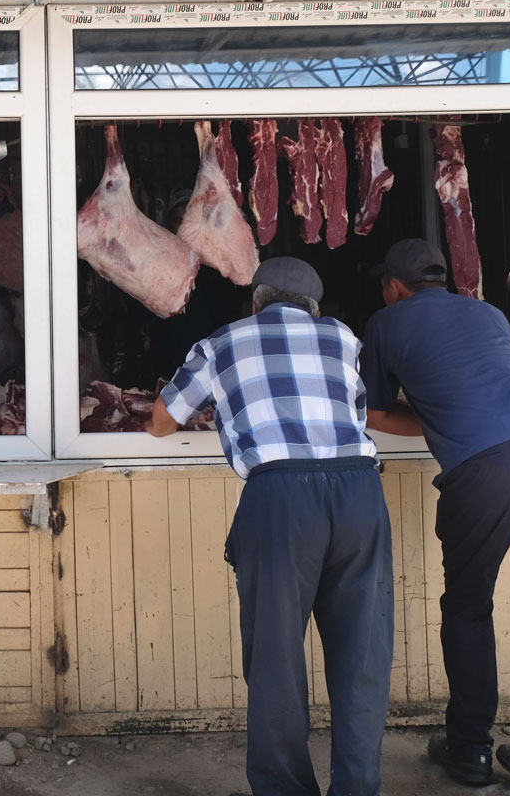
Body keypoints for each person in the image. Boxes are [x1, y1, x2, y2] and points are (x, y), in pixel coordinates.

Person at [360, 239, 510, 796]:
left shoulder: (386, 323)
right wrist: (450, 417)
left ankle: (469, 750)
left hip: (487, 469)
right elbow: (489, 388)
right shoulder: (489, 312)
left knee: (467, 606)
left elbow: (370, 412)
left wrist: (443, 422)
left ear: (394, 287)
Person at [151, 257, 392, 796]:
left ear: (255, 301)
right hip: (358, 489)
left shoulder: (222, 343)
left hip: (281, 497)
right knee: (362, 654)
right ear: (314, 308)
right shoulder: (342, 338)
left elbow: (161, 423)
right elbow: (353, 410)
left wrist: (227, 406)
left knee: (276, 657)